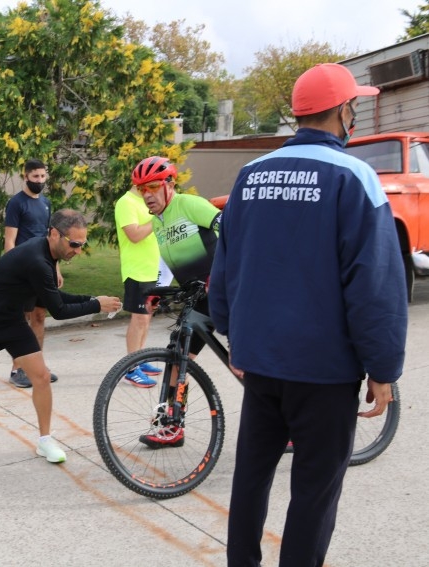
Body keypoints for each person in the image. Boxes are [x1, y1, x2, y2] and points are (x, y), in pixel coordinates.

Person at [208, 63, 408, 566]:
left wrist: (233, 336)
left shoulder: (250, 176)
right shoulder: (355, 177)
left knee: (251, 476)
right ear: (342, 111)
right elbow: (375, 284)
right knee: (315, 491)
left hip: (261, 365)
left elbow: (225, 266)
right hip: (324, 370)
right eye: (354, 106)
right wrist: (383, 368)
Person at [0, 209, 121, 475]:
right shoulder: (37, 260)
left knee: (41, 377)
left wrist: (92, 299)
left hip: (11, 321)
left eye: (82, 245)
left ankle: (45, 440)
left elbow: (51, 298)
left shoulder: (46, 256)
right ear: (55, 234)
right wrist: (96, 305)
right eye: (74, 244)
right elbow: (59, 310)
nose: (77, 251)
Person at [132, 156, 222, 448]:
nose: (147, 194)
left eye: (153, 186)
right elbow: (169, 261)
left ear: (169, 184)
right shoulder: (157, 222)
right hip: (199, 297)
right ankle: (172, 426)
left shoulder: (189, 205)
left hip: (227, 291)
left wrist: (221, 273)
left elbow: (233, 231)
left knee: (250, 362)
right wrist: (159, 289)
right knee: (177, 354)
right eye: (142, 189)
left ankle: (288, 423)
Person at [3, 159, 63, 388]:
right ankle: (17, 369)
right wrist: (13, 269)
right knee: (22, 320)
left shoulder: (46, 203)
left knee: (39, 317)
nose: (39, 180)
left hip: (44, 269)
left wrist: (55, 268)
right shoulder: (16, 203)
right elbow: (10, 240)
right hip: (24, 270)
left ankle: (36, 368)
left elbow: (51, 240)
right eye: (35, 176)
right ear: (25, 176)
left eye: (42, 176)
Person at [113, 175, 169, 387]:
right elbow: (134, 235)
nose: (154, 190)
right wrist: (157, 217)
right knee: (139, 319)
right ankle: (131, 368)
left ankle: (139, 358)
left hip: (152, 269)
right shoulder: (126, 202)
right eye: (152, 185)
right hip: (136, 271)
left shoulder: (145, 202)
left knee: (147, 317)